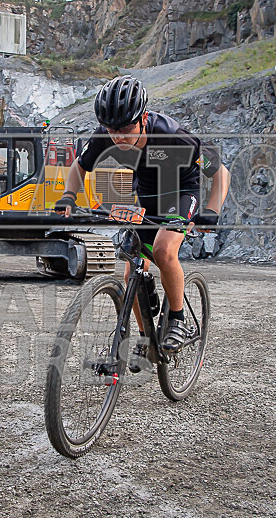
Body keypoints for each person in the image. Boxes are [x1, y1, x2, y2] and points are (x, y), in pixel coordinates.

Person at [55, 75, 230, 372]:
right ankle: (147, 339)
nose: (118, 137)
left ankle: (177, 318)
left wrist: (212, 209)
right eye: (112, 130)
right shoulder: (104, 136)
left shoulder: (173, 135)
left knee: (163, 250)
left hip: (181, 190)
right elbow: (79, 166)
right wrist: (69, 196)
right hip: (148, 194)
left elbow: (220, 173)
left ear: (144, 118)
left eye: (125, 129)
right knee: (131, 270)